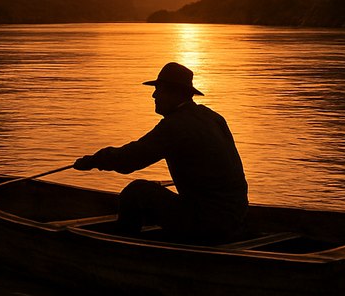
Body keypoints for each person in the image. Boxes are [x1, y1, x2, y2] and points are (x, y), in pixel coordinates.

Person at [73, 62, 248, 244]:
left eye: (159, 89)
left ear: (174, 93)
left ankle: (122, 248)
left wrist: (93, 160)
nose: (154, 95)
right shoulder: (214, 117)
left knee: (136, 192)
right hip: (236, 217)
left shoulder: (176, 125)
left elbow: (130, 160)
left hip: (210, 224)